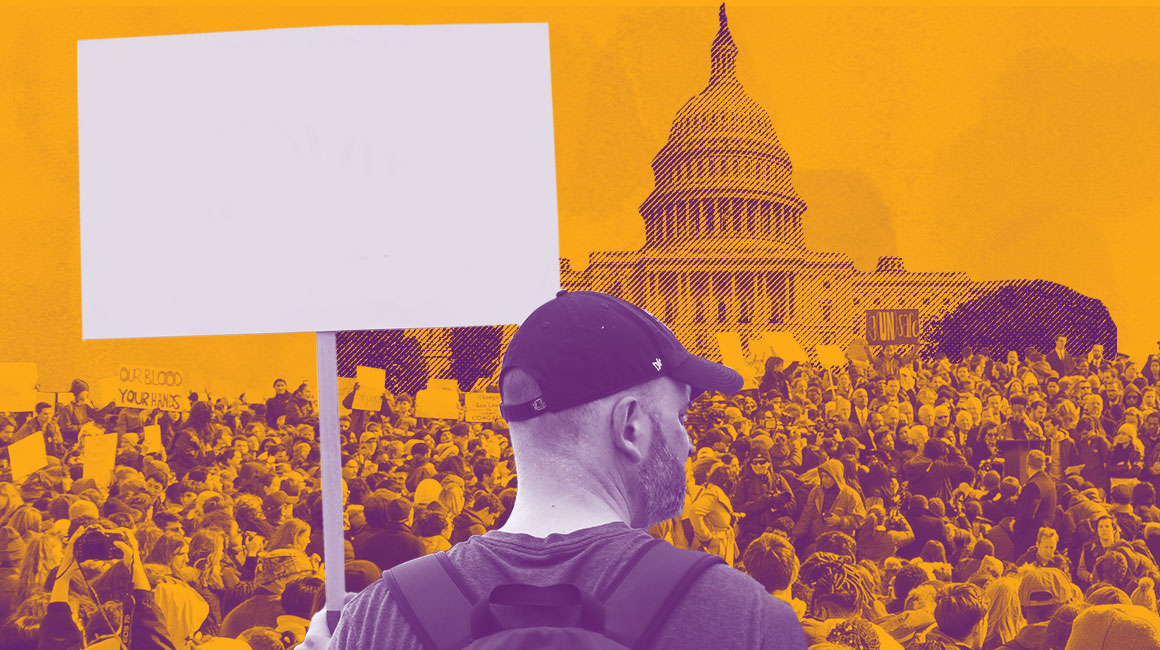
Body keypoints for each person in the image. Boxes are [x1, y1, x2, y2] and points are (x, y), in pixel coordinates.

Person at [327, 289, 807, 649]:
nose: (688, 441)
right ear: (631, 426)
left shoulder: (376, 618)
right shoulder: (749, 619)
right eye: (680, 416)